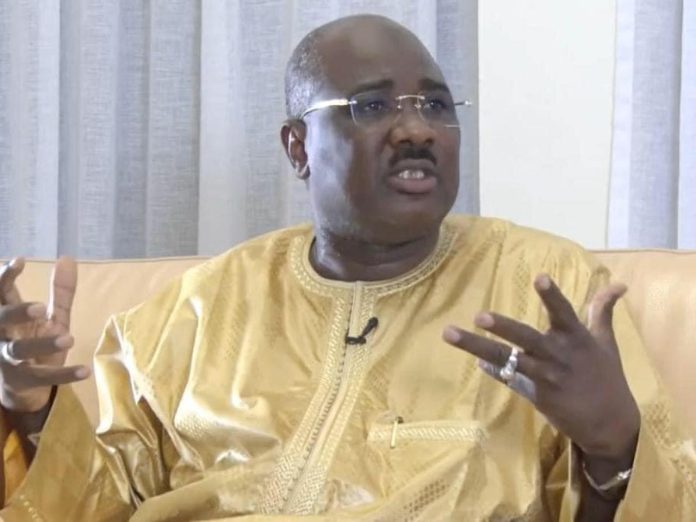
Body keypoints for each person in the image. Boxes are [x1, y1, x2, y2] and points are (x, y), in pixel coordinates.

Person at [0, 14, 693, 521]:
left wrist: (616, 448)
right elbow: (93, 509)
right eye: (372, 105)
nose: (416, 128)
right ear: (298, 147)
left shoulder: (546, 290)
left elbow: (663, 501)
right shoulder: (192, 312)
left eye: (436, 105)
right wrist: (31, 413)